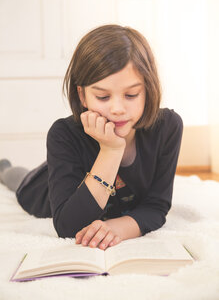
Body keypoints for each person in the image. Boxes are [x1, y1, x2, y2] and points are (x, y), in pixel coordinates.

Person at [0, 24, 183, 250]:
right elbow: (68, 227)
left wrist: (119, 227)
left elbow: (156, 207)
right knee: (16, 177)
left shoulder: (168, 127)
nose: (118, 108)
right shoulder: (63, 134)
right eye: (103, 97)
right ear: (83, 95)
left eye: (131, 94)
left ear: (148, 89)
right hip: (41, 188)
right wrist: (111, 151)